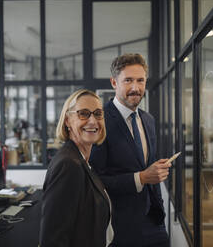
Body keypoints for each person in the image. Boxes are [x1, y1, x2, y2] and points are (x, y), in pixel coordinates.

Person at [90, 53, 171, 247]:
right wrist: (141, 177)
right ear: (113, 82)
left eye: (140, 80)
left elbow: (147, 167)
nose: (136, 88)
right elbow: (95, 181)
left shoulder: (148, 120)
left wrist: (154, 174)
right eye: (128, 80)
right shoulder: (99, 122)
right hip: (120, 226)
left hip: (155, 220)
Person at [39, 89, 113, 247]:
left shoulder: (81, 159)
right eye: (84, 113)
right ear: (67, 121)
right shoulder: (68, 165)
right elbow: (52, 240)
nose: (93, 121)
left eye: (98, 113)